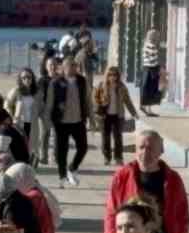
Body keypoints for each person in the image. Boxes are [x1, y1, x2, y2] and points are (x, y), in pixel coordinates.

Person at [49, 56, 92, 187]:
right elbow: (50, 102)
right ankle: (62, 177)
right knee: (61, 151)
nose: (72, 68)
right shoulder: (56, 82)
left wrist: (91, 118)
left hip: (78, 121)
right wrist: (48, 120)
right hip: (61, 122)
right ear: (63, 68)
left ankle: (72, 168)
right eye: (69, 66)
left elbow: (87, 100)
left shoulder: (82, 81)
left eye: (74, 65)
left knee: (83, 147)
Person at [94, 66, 139, 166]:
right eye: (110, 75)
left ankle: (118, 157)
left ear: (118, 76)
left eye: (115, 75)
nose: (112, 77)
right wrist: (97, 108)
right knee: (105, 138)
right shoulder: (101, 85)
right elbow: (95, 98)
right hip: (105, 116)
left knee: (118, 137)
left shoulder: (122, 87)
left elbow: (127, 100)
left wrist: (134, 113)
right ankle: (107, 157)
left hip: (118, 116)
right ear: (107, 75)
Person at [34, 56, 62, 168]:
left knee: (57, 136)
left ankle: (55, 157)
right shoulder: (42, 80)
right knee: (44, 135)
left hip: (58, 112)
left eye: (54, 64)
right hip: (45, 111)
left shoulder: (61, 79)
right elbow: (38, 96)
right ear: (46, 67)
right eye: (50, 65)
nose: (53, 67)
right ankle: (43, 157)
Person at [6, 67, 41, 144]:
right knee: (20, 145)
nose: (27, 79)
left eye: (29, 77)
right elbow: (7, 105)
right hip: (19, 124)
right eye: (24, 78)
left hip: (33, 124)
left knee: (31, 146)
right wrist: (12, 117)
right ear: (20, 79)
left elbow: (41, 107)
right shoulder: (16, 91)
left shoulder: (37, 92)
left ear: (32, 78)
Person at [140, 27, 164, 116]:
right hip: (151, 69)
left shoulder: (146, 44)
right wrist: (160, 68)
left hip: (146, 68)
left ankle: (146, 108)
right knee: (150, 89)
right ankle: (148, 110)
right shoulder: (152, 46)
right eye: (156, 36)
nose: (158, 37)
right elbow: (153, 59)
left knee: (146, 89)